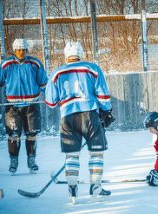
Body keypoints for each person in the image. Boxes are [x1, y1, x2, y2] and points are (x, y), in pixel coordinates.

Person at [45, 41, 115, 203]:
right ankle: (96, 188)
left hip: (68, 118)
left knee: (72, 155)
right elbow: (103, 96)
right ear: (81, 53)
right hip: (90, 115)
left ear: (66, 55)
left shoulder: (56, 73)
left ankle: (72, 190)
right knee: (96, 153)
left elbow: (50, 102)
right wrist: (106, 110)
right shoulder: (93, 68)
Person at [0, 38, 47, 174]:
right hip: (12, 106)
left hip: (32, 104)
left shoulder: (35, 64)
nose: (21, 52)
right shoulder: (6, 65)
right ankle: (14, 161)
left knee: (32, 133)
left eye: (23, 50)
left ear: (27, 50)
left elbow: (43, 83)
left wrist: (52, 95)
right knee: (13, 134)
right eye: (18, 50)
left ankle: (31, 160)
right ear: (14, 50)